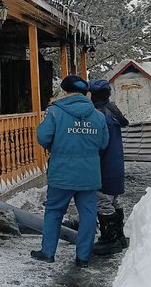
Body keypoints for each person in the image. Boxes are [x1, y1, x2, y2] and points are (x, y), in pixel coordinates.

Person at [31, 75, 109, 268]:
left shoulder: (55, 112)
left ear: (65, 91)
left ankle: (48, 252)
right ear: (85, 93)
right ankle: (83, 257)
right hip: (89, 175)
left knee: (54, 212)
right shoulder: (98, 115)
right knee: (89, 215)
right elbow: (103, 143)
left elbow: (43, 137)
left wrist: (57, 145)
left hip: (62, 173)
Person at [89, 79, 130, 256]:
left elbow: (99, 144)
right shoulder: (113, 110)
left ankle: (109, 239)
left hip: (104, 164)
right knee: (114, 199)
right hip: (115, 163)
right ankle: (120, 236)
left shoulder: (99, 115)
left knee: (102, 200)